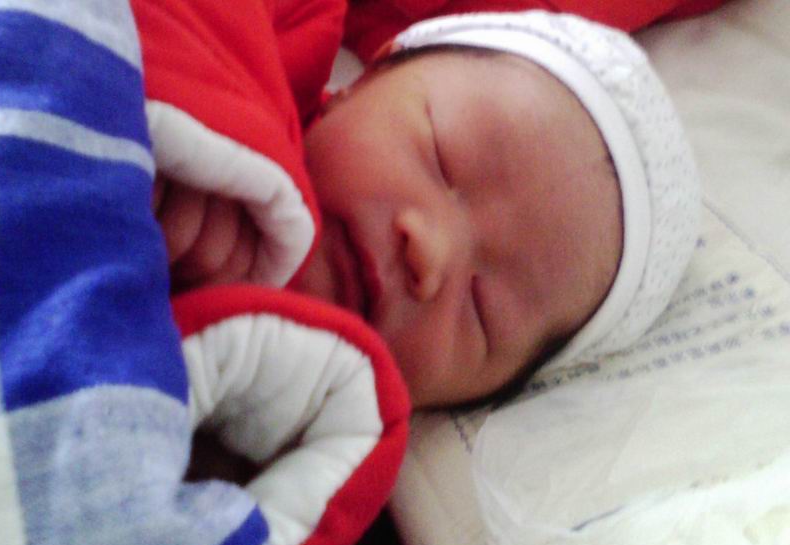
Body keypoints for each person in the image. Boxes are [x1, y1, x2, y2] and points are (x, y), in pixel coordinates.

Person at [151, 9, 701, 408]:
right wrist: (185, 127)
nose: (429, 252)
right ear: (365, 80)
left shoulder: (328, 449)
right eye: (440, 159)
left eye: (483, 312)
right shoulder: (264, 41)